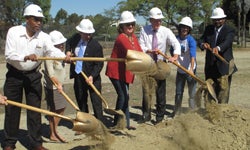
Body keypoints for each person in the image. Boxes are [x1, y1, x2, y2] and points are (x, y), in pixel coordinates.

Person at [2, 4, 67, 150]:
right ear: (27, 19)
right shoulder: (14, 32)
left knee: (35, 110)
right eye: (35, 19)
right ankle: (9, 142)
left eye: (41, 20)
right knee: (12, 109)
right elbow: (9, 55)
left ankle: (36, 143)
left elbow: (51, 52)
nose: (39, 23)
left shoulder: (44, 37)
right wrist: (25, 57)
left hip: (33, 76)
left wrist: (65, 57)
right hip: (14, 75)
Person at [139, 7, 181, 124]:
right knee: (146, 91)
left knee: (160, 91)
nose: (158, 23)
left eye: (159, 20)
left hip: (160, 64)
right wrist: (150, 50)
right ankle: (146, 115)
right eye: (155, 20)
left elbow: (175, 43)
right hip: (147, 63)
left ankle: (159, 116)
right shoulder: (144, 30)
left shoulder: (166, 31)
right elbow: (141, 46)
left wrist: (175, 56)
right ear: (150, 20)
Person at [105, 11, 142, 130]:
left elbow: (140, 51)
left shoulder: (133, 37)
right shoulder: (121, 38)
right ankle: (117, 123)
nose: (130, 26)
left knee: (126, 96)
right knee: (123, 96)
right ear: (122, 27)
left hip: (124, 71)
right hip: (115, 71)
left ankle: (125, 123)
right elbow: (132, 52)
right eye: (127, 24)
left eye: (132, 24)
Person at [66, 19, 104, 128]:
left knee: (96, 102)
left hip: (93, 78)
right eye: (86, 34)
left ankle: (99, 125)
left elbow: (99, 64)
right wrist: (68, 52)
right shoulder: (75, 39)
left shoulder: (96, 46)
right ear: (80, 32)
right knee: (81, 100)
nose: (88, 36)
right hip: (79, 75)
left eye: (90, 34)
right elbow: (68, 43)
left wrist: (92, 76)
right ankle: (86, 124)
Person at [199, 7, 237, 104]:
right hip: (210, 66)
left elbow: (227, 42)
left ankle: (222, 111)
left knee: (223, 91)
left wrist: (218, 48)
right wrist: (203, 44)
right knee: (210, 88)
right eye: (215, 19)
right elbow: (201, 40)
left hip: (224, 66)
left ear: (224, 19)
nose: (217, 21)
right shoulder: (209, 29)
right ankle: (211, 110)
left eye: (219, 19)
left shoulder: (229, 30)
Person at [43, 30, 68, 143]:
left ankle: (53, 131)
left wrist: (68, 55)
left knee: (60, 108)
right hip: (53, 87)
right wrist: (58, 84)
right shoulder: (49, 56)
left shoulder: (60, 54)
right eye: (59, 44)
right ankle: (53, 133)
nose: (61, 45)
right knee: (57, 109)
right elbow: (50, 74)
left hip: (60, 85)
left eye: (62, 43)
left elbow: (66, 60)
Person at [171, 16, 197, 117]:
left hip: (190, 70)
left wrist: (191, 69)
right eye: (183, 27)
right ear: (180, 27)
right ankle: (176, 112)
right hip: (180, 70)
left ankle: (192, 113)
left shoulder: (191, 40)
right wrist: (174, 59)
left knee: (192, 94)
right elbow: (173, 52)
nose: (184, 29)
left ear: (189, 29)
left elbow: (193, 55)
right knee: (178, 93)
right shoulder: (176, 39)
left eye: (187, 27)